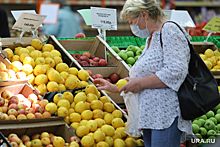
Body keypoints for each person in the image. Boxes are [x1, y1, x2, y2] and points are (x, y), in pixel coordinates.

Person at [93, 0, 193, 147]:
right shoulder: (152, 38)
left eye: (132, 22)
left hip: (165, 115)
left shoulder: (170, 30)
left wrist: (138, 84)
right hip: (150, 116)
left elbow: (176, 71)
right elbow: (145, 76)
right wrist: (115, 87)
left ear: (144, 15)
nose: (132, 27)